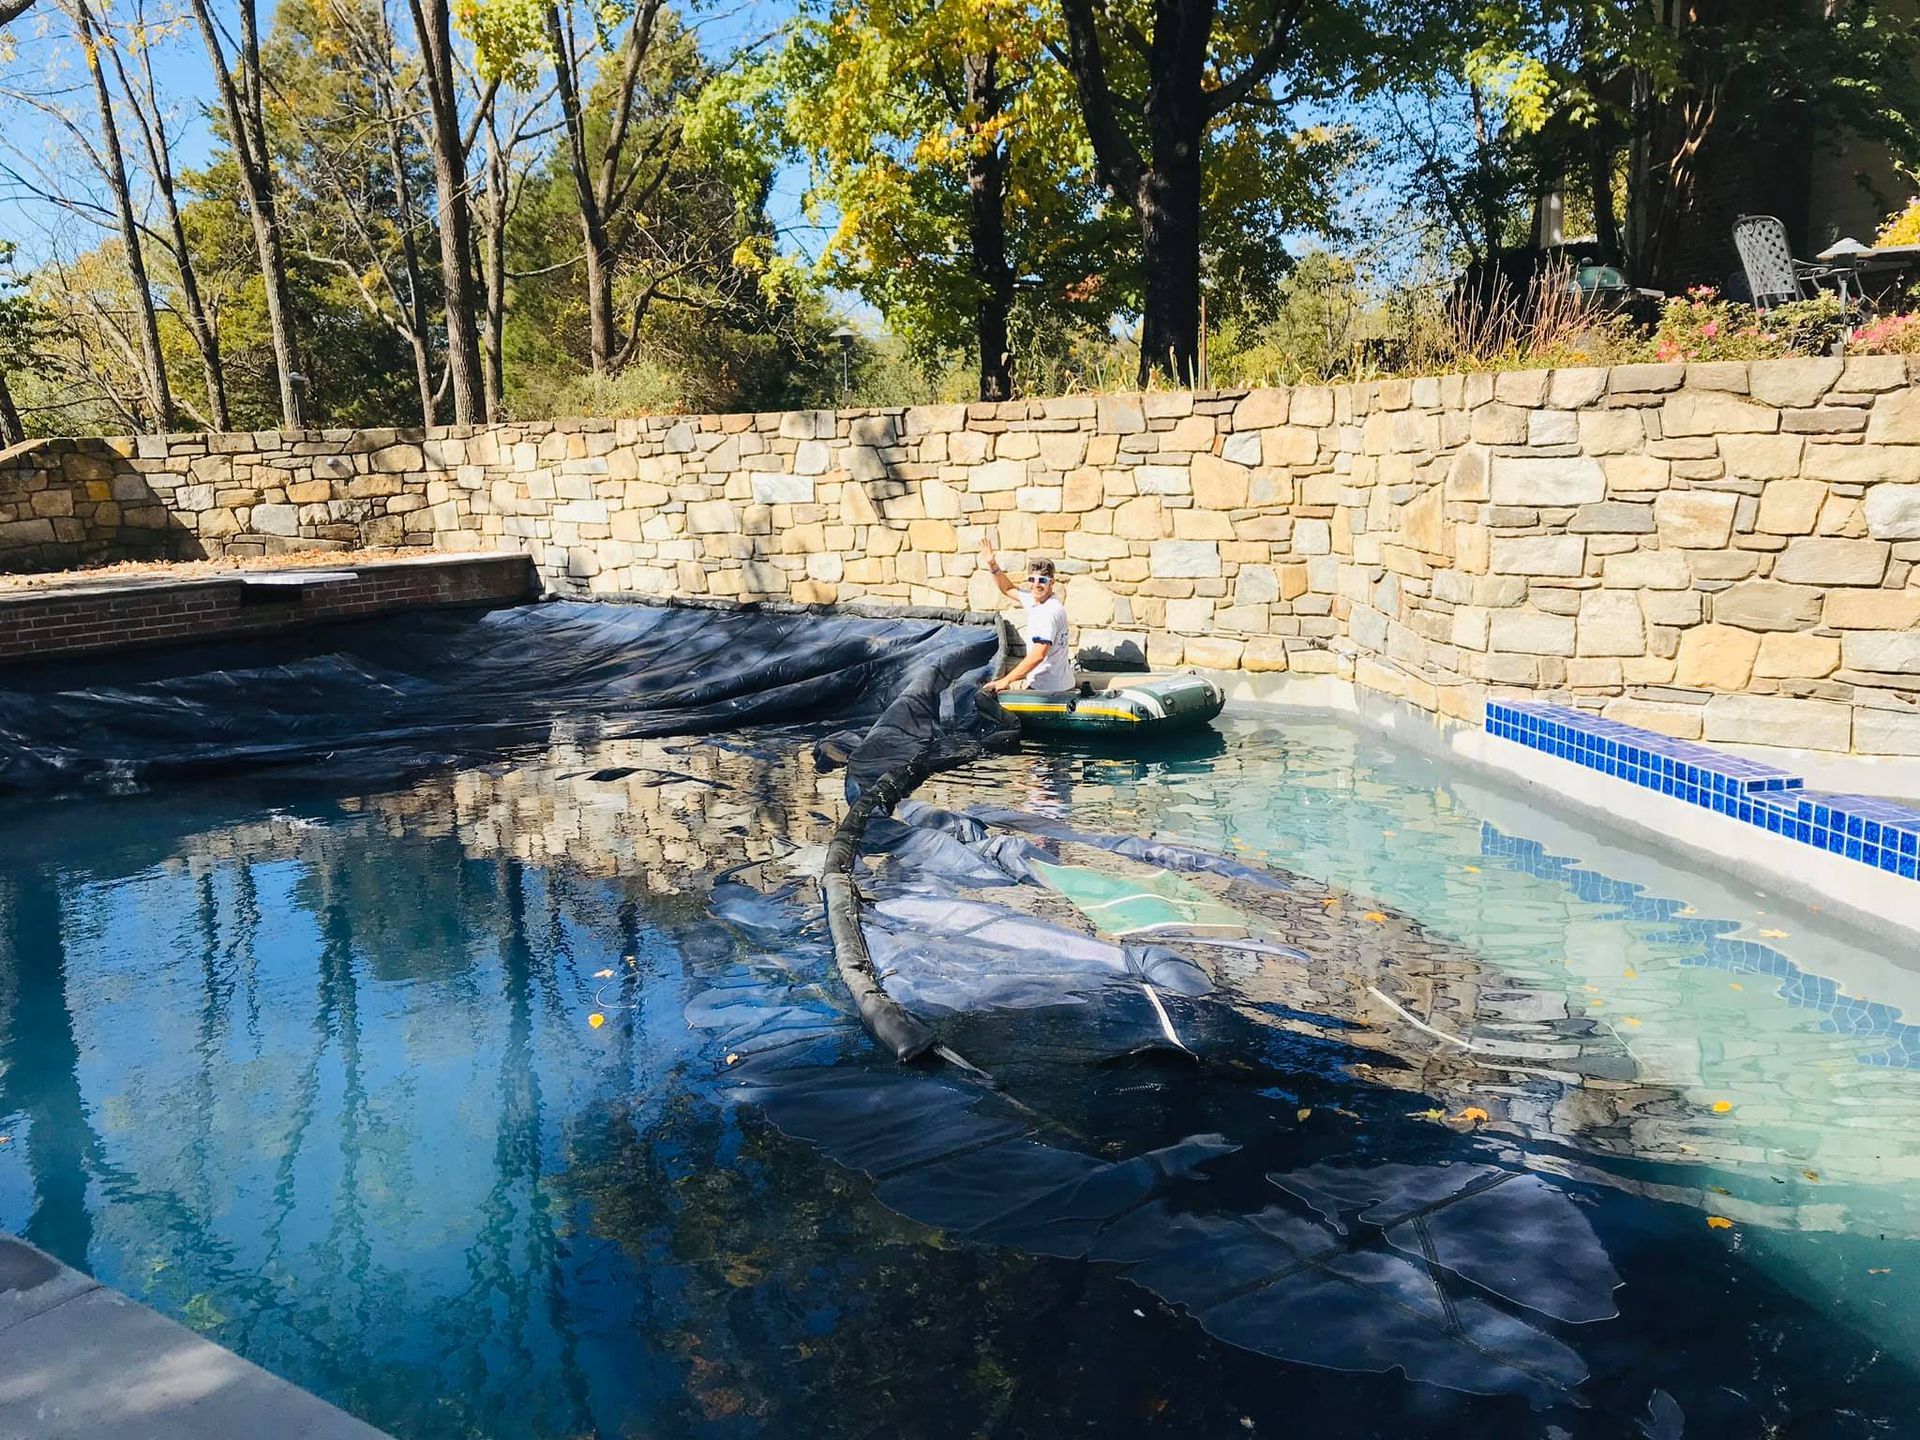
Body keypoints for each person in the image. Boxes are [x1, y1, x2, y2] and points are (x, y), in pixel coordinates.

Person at [979, 537, 1073, 695]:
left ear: (1052, 583)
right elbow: (1008, 589)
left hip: (1050, 691)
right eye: (1032, 579)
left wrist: (1006, 680)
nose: (1036, 584)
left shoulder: (1049, 612)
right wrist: (992, 564)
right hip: (1052, 683)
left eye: (1042, 580)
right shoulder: (1033, 599)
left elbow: (1038, 655)